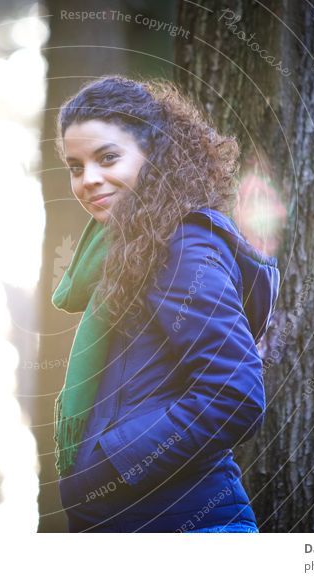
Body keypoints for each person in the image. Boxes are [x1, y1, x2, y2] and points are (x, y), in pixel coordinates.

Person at [51, 75, 280, 533]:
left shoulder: (180, 246)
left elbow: (233, 394)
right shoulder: (133, 249)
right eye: (76, 166)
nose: (89, 179)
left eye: (108, 157)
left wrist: (114, 463)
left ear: (153, 154)